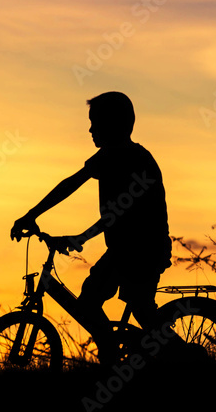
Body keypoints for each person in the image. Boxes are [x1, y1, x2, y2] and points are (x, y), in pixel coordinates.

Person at [10, 91, 171, 362]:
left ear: (113, 124)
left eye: (95, 122)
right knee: (118, 306)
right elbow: (71, 183)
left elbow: (120, 213)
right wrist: (33, 214)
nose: (90, 129)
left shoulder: (130, 158)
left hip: (141, 250)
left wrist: (79, 235)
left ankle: (178, 359)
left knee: (122, 306)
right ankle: (116, 357)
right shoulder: (111, 156)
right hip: (125, 250)